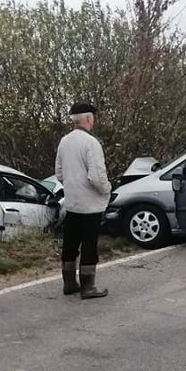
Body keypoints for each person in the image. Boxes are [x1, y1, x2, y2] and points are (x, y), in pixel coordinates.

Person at [55, 102, 112, 299]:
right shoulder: (91, 143)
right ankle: (88, 287)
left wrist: (72, 185)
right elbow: (96, 176)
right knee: (89, 245)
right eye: (93, 118)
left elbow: (59, 174)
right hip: (90, 204)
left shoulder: (64, 141)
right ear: (88, 119)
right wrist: (107, 191)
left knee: (70, 243)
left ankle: (69, 283)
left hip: (72, 202)